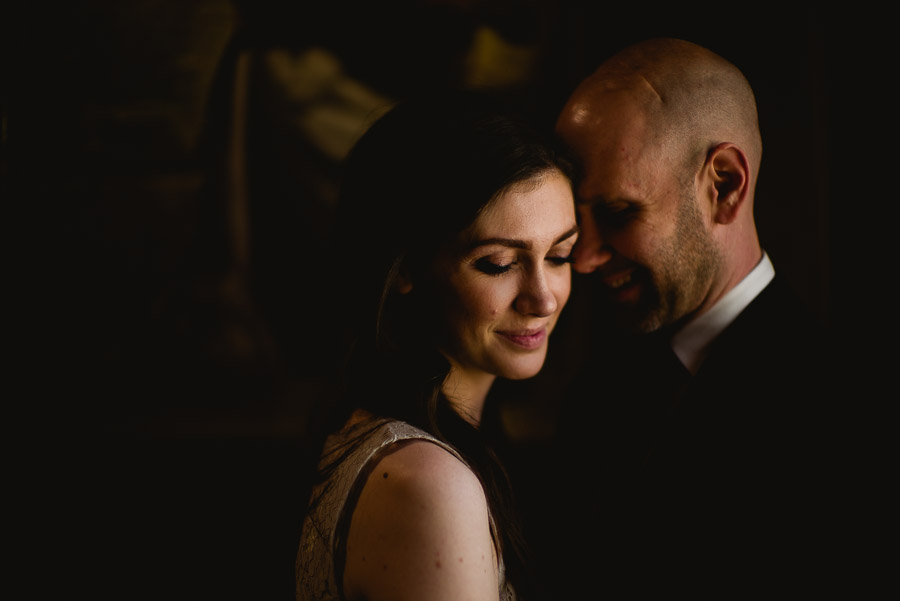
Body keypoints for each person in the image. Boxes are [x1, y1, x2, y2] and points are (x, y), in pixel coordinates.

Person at [528, 38, 843, 597]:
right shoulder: (597, 390)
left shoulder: (837, 411)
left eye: (619, 213)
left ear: (723, 185)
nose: (582, 258)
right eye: (575, 221)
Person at [295, 90, 578, 601]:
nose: (543, 298)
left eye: (560, 255)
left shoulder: (395, 437)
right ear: (406, 268)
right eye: (498, 263)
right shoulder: (428, 485)